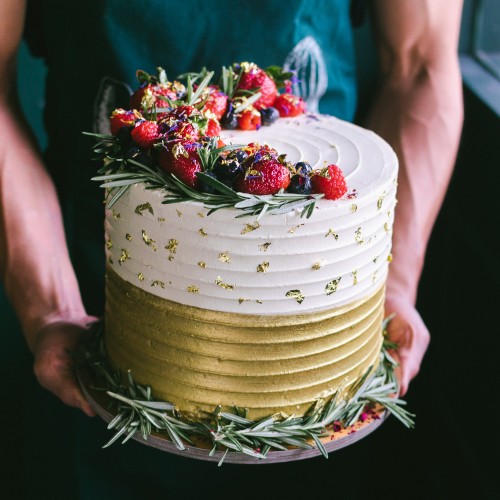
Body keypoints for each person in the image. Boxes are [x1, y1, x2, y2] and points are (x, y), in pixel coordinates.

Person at [0, 0, 464, 498]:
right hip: (94, 320)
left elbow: (422, 64)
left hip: (321, 361)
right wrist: (50, 308)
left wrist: (389, 287)